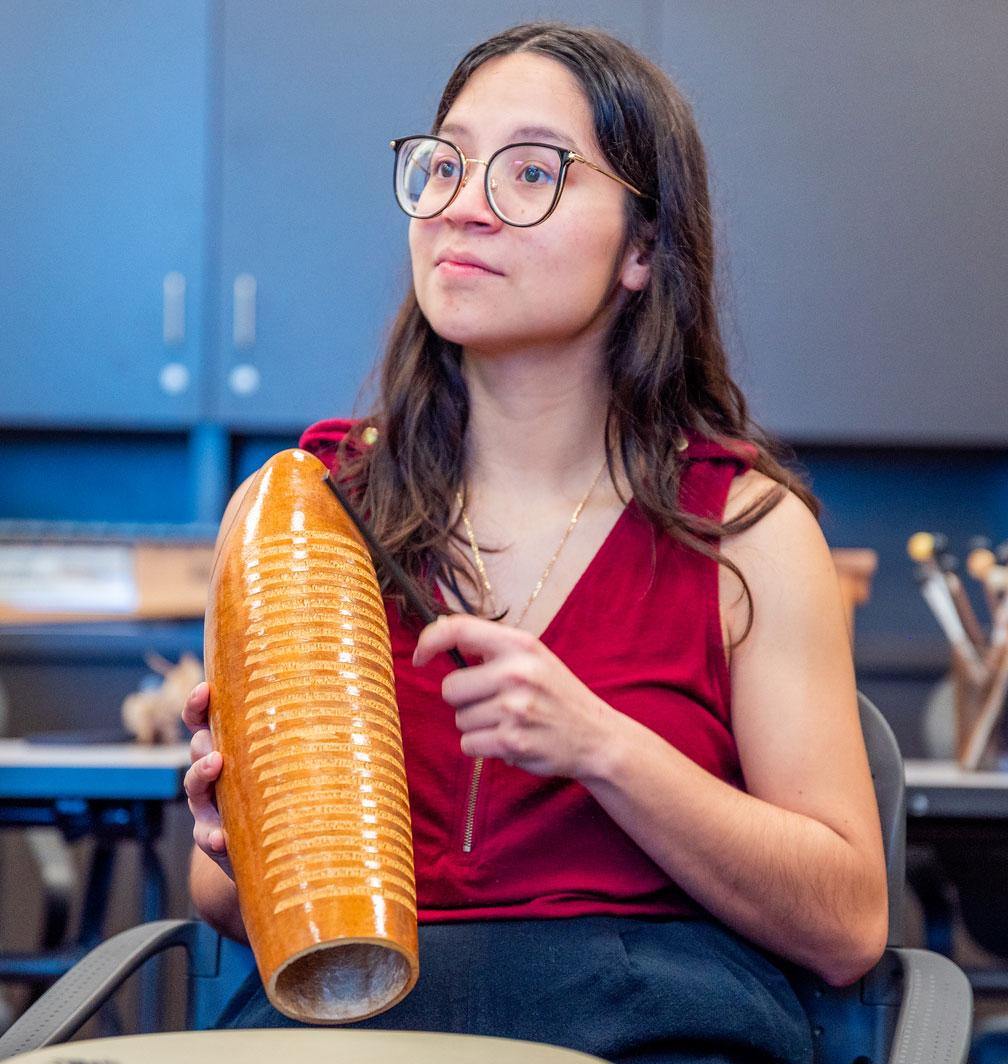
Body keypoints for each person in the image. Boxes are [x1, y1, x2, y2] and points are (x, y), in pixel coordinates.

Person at [184, 21, 887, 1064]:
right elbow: (217, 898)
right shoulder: (306, 513)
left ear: (642, 248)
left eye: (529, 172)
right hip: (361, 1036)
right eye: (445, 162)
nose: (461, 203)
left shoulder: (746, 531)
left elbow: (845, 927)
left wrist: (600, 746)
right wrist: (243, 832)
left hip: (651, 1025)